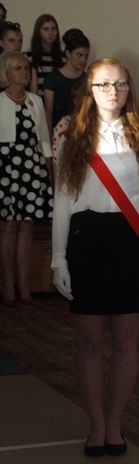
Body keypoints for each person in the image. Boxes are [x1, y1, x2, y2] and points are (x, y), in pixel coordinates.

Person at [51, 58, 139, 457]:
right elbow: (63, 197)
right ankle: (95, 425)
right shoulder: (71, 133)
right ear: (90, 90)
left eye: (119, 84)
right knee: (88, 340)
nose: (112, 91)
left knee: (124, 341)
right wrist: (58, 258)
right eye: (103, 84)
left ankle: (114, 425)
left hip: (130, 239)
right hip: (87, 239)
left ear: (129, 88)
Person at [0, 51, 52, 306]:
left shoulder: (35, 101)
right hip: (6, 167)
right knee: (9, 225)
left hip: (32, 166)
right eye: (18, 68)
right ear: (6, 73)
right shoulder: (0, 101)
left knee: (27, 225)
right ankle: (7, 284)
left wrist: (48, 170)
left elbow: (44, 140)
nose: (24, 72)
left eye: (26, 68)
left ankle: (24, 284)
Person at [42, 28, 90, 133]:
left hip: (81, 132)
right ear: (68, 53)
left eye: (86, 56)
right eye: (79, 55)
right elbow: (48, 113)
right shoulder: (52, 79)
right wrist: (48, 137)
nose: (83, 60)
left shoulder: (88, 79)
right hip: (57, 133)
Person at [26, 14, 63, 91]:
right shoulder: (28, 56)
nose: (50, 33)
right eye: (46, 29)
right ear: (38, 32)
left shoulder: (63, 57)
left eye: (53, 29)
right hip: (35, 97)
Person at [1, 21, 38, 94]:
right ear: (1, 42)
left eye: (20, 41)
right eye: (11, 40)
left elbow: (34, 95)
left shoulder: (28, 66)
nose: (16, 45)